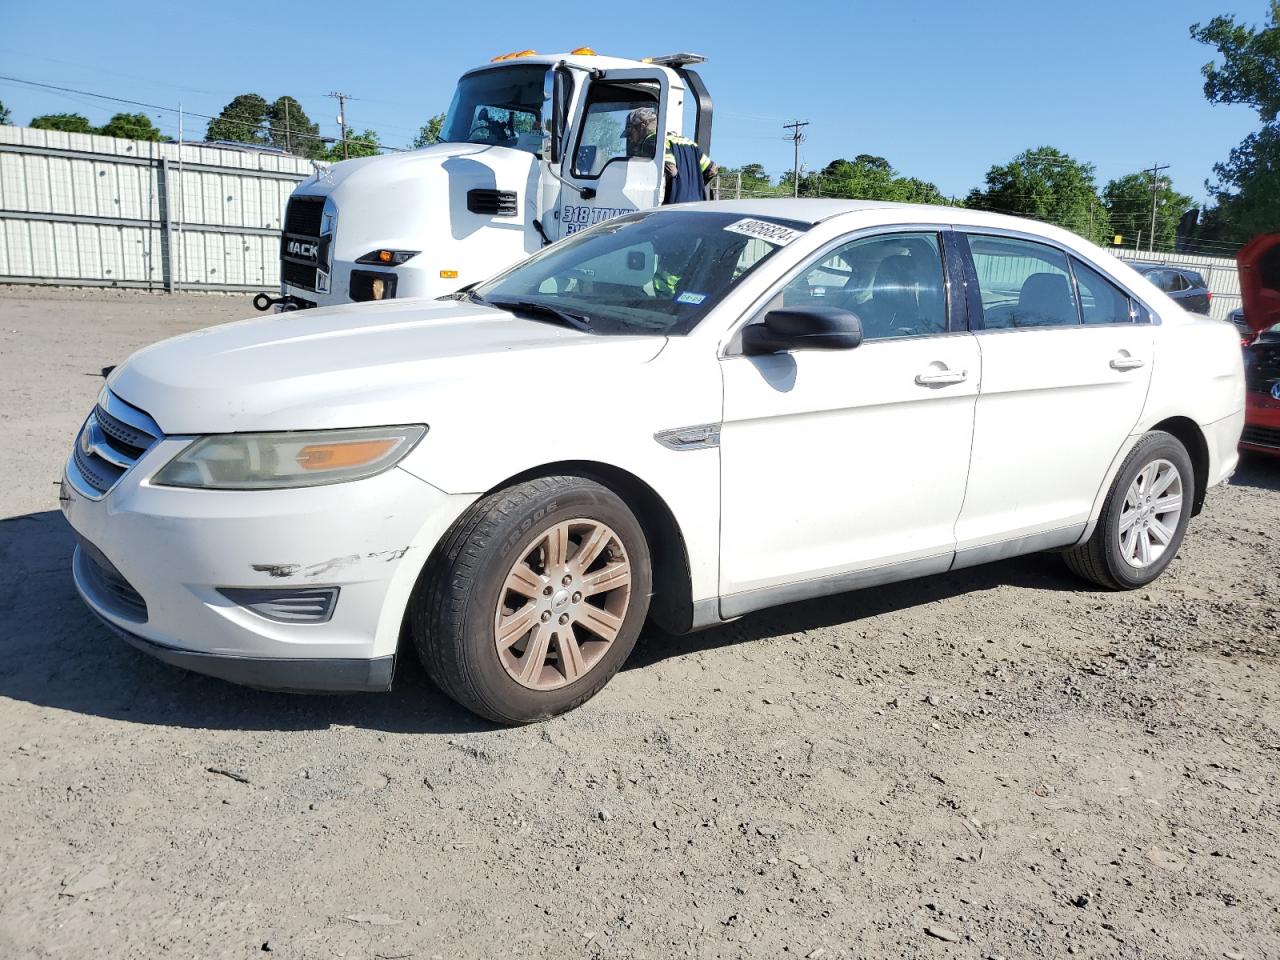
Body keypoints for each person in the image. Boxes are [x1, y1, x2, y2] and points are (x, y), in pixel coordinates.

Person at [623, 107, 718, 203]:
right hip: (696, 206)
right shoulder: (687, 142)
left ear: (642, 126)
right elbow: (712, 170)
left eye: (631, 133)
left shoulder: (651, 141)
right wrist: (694, 187)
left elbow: (672, 170)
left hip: (673, 208)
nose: (630, 138)